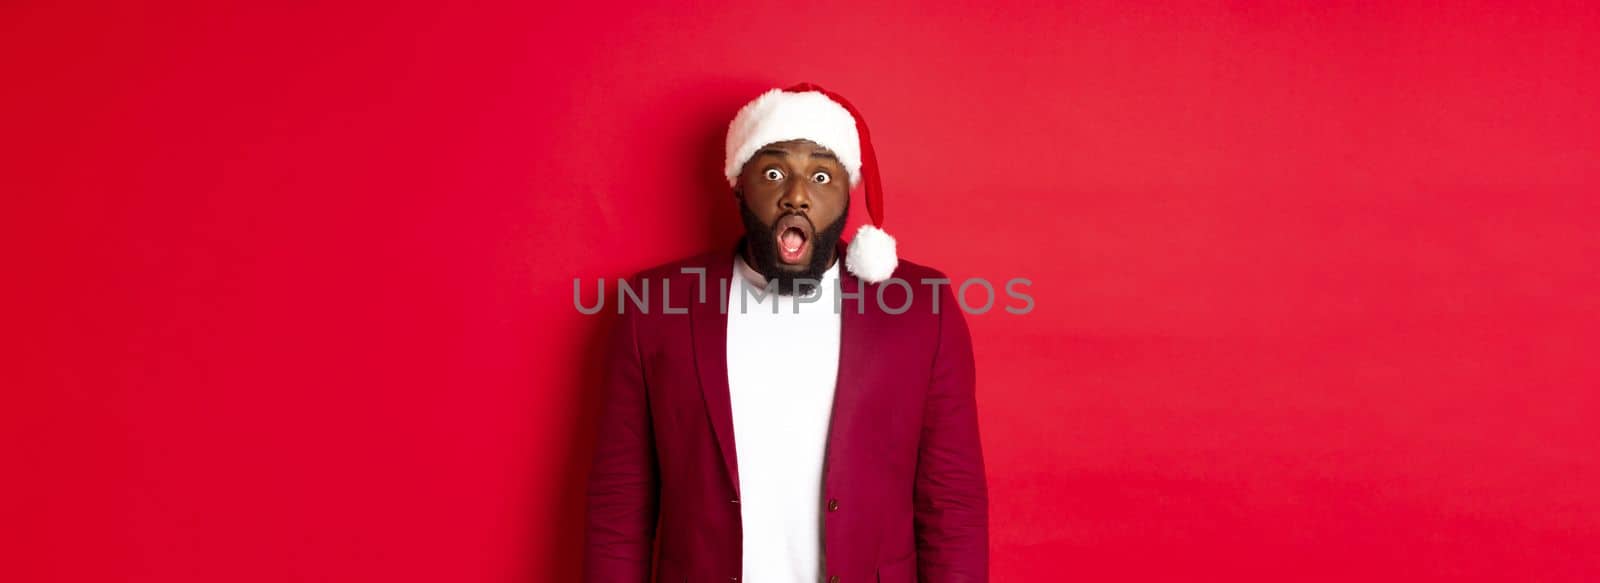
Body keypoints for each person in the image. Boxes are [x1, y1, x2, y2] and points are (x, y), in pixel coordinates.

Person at [584, 83, 988, 583]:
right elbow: (620, 501)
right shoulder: (653, 308)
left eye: (821, 174)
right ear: (738, 182)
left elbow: (952, 499)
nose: (796, 195)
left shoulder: (922, 306)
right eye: (773, 172)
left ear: (848, 191)